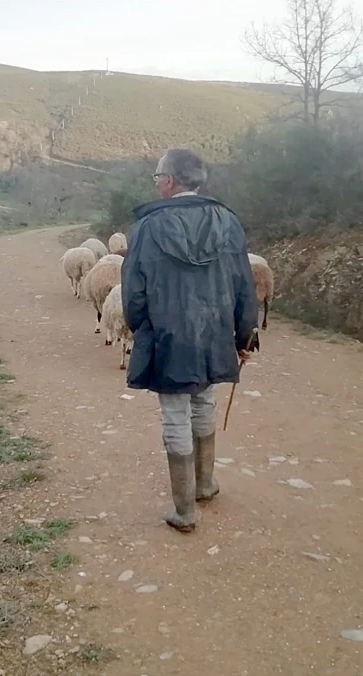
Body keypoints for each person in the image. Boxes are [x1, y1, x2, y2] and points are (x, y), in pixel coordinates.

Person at [121, 148, 260, 532]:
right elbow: (244, 285)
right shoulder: (228, 221)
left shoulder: (148, 227)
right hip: (214, 333)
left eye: (156, 178)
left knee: (175, 415)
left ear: (168, 181)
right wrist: (244, 335)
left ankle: (184, 511)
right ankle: (205, 484)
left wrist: (141, 330)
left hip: (168, 336)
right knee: (204, 402)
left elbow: (133, 291)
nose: (156, 184)